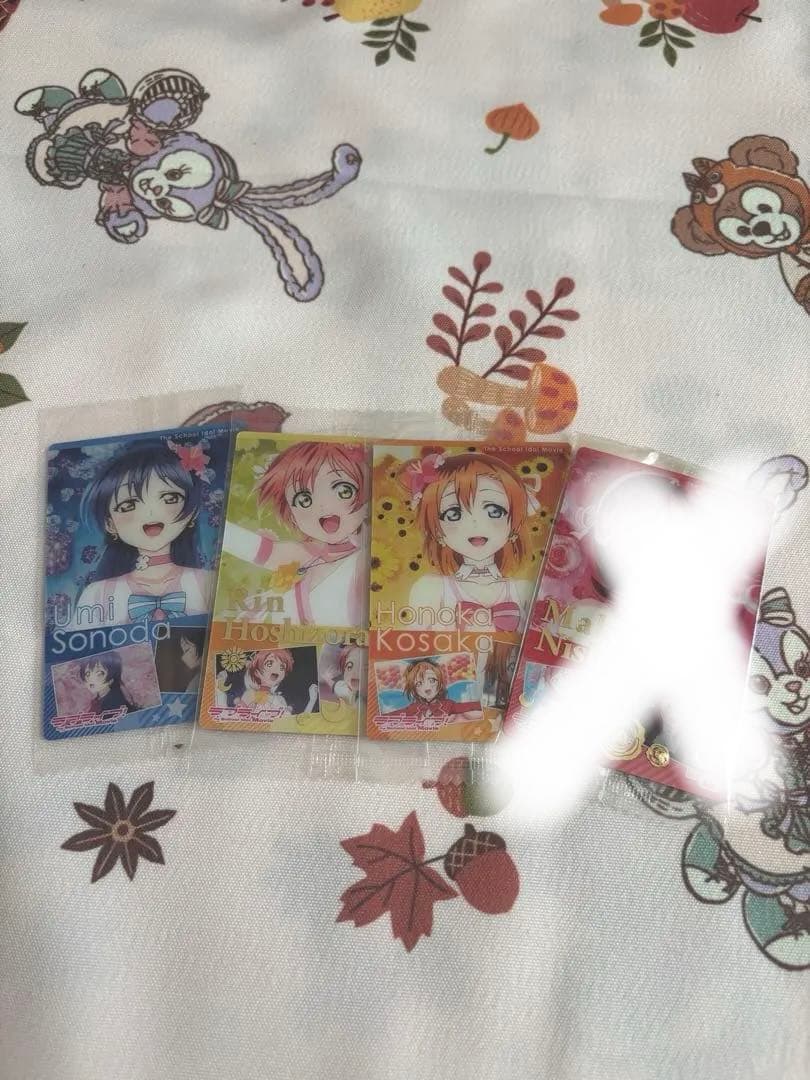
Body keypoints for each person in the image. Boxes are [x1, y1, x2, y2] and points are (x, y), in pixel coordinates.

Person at [222, 441, 368, 626]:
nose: (322, 506)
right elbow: (252, 547)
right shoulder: (305, 555)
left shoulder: (368, 557)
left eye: (343, 490)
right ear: (291, 515)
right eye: (304, 500)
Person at [70, 438, 212, 627]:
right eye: (128, 505)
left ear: (192, 511)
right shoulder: (97, 594)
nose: (150, 514)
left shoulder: (208, 582)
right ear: (110, 524)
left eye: (170, 498)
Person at [402, 452, 535, 632]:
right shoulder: (430, 589)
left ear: (514, 525)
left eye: (494, 511)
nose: (475, 524)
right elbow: (411, 645)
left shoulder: (524, 591)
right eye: (454, 514)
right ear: (437, 532)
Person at [239, 649, 318, 716]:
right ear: (256, 672)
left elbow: (297, 724)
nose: (277, 669)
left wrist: (312, 700)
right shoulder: (250, 695)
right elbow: (237, 720)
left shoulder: (280, 700)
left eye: (282, 667)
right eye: (269, 664)